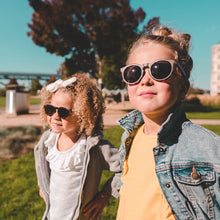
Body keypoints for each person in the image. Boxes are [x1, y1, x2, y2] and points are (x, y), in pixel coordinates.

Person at [116, 26, 220, 219]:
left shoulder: (209, 148)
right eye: (134, 72)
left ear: (183, 86)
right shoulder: (129, 138)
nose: (145, 80)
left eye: (160, 69)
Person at [34, 73, 121, 220]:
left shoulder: (94, 147)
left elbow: (126, 167)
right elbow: (43, 168)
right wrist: (43, 186)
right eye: (50, 109)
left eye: (63, 112)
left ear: (83, 115)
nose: (55, 116)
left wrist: (104, 196)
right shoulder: (47, 141)